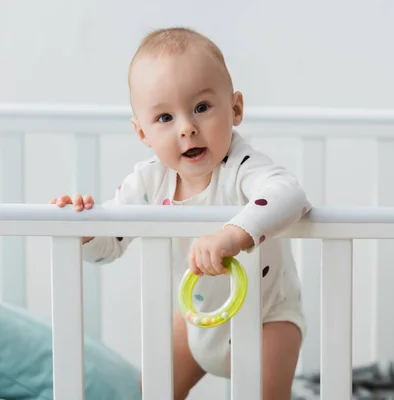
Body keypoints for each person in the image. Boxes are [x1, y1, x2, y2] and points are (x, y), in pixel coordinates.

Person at [50, 26, 310, 400]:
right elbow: (110, 245)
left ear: (235, 109)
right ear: (142, 134)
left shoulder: (243, 167)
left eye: (201, 108)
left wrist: (234, 233)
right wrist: (86, 232)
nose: (187, 128)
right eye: (165, 118)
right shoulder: (148, 181)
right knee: (152, 390)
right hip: (193, 320)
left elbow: (289, 196)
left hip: (266, 318)